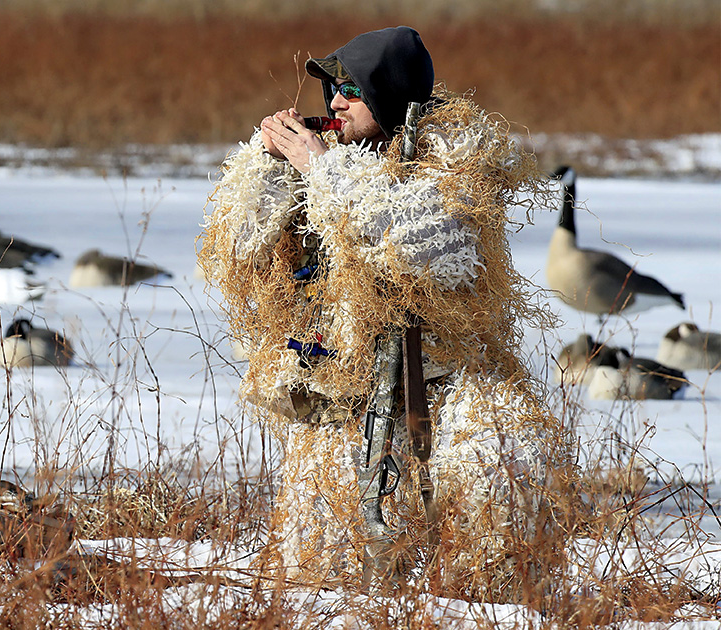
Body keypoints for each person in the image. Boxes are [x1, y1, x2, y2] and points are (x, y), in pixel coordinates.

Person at [198, 26, 576, 600]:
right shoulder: (321, 162)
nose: (335, 102)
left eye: (352, 87)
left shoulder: (458, 164)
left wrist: (321, 169)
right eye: (331, 88)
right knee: (321, 586)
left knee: (499, 505)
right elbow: (239, 251)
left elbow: (421, 244)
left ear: (390, 94)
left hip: (450, 389)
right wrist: (270, 169)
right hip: (344, 397)